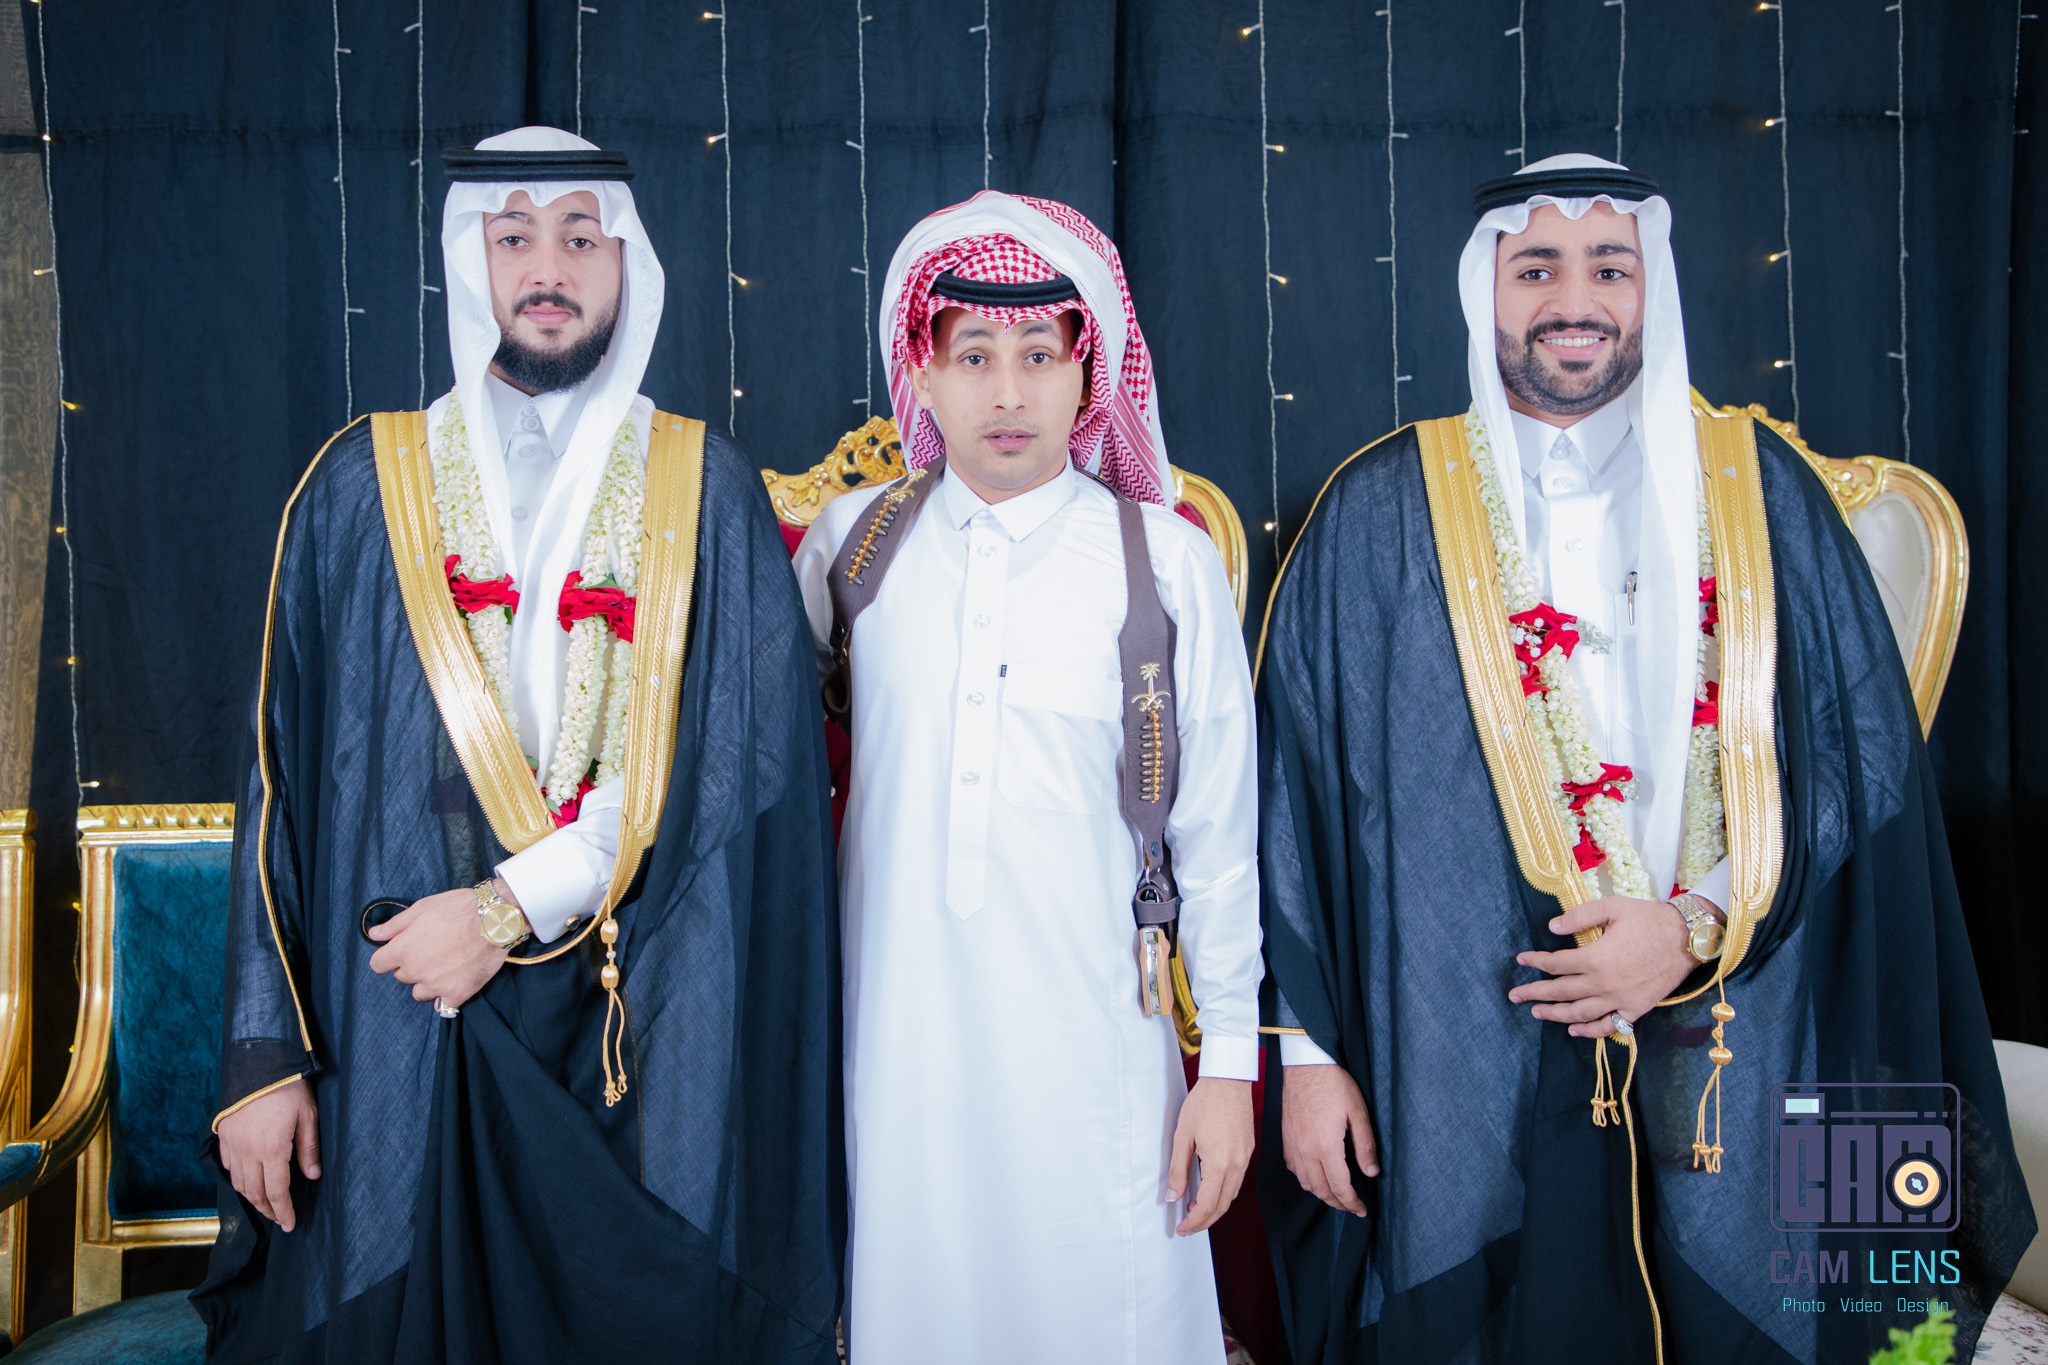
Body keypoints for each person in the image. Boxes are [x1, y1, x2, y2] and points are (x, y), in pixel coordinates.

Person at [1256, 154, 2034, 1364]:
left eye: (1607, 267)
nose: (1573, 299)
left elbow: (1861, 762)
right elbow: (1287, 804)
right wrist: (1304, 1066)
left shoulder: (1761, 491)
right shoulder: (1377, 511)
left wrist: (1695, 922)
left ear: (1648, 287)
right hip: (1461, 1033)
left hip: (1742, 1009)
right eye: (1535, 269)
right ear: (1483, 290)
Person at [197, 127, 842, 1363]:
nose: (547, 267)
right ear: (470, 260)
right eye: (514, 237)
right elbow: (279, 783)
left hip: (634, 1013)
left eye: (579, 236)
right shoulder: (357, 486)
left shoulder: (703, 488)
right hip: (398, 1016)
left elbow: (740, 767)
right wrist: (263, 1062)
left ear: (624, 261)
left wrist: (504, 909)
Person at [791, 190, 1262, 1364]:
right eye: (974, 356)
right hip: (894, 1035)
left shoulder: (1166, 564)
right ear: (923, 371)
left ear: (1087, 374)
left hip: (1096, 1047)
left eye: (1038, 356)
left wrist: (1228, 1073)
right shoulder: (851, 545)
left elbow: (1219, 840)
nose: (1006, 393)